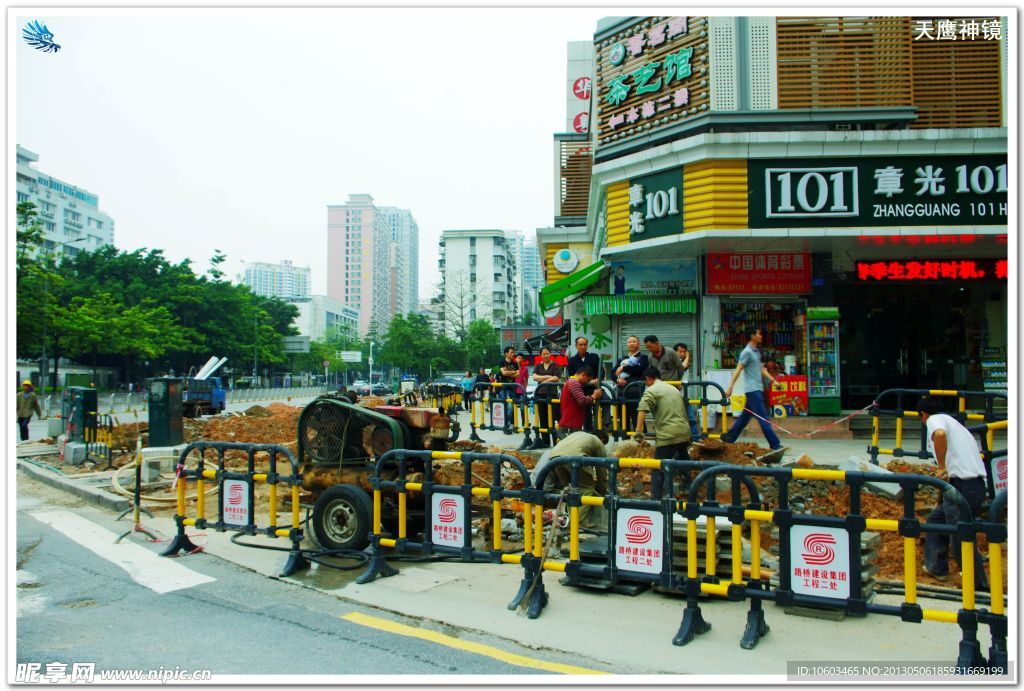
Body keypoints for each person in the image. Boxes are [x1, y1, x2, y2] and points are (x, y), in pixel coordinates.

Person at [918, 396, 989, 590]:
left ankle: (978, 584)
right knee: (936, 521)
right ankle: (936, 567)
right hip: (971, 486)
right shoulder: (957, 425)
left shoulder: (935, 420)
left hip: (963, 487)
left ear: (923, 415)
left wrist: (940, 467)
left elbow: (939, 435)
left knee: (960, 535)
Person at [531, 430, 609, 530]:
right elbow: (601, 471)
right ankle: (578, 522)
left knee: (570, 489)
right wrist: (602, 491)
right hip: (574, 457)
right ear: (602, 440)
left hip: (555, 457)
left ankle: (570, 518)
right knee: (587, 488)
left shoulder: (579, 435)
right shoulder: (598, 443)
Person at [721, 328, 783, 451]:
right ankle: (775, 444)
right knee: (763, 419)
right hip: (753, 391)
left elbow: (761, 369)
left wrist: (773, 381)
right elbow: (738, 369)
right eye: (759, 333)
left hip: (756, 390)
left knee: (744, 418)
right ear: (752, 335)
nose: (761, 336)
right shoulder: (747, 352)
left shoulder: (755, 352)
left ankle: (729, 437)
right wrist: (730, 387)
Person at [634, 367, 691, 499]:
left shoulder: (652, 390)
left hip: (668, 434)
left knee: (657, 466)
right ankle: (687, 489)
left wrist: (639, 430)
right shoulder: (673, 389)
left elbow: (642, 408)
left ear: (648, 379)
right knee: (684, 461)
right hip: (683, 431)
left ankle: (656, 497)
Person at [567, 336, 602, 431]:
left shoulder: (594, 357)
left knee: (606, 400)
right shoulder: (572, 360)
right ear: (576, 346)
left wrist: (597, 380)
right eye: (580, 345)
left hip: (594, 388)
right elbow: (571, 377)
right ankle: (583, 431)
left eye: (585, 345)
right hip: (579, 390)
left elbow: (601, 373)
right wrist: (589, 381)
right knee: (585, 409)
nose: (583, 347)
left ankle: (605, 424)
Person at [531, 346, 562, 448]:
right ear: (541, 355)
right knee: (543, 418)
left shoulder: (555, 365)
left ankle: (556, 441)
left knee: (552, 418)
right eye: (544, 354)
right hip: (540, 394)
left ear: (550, 353)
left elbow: (557, 378)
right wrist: (549, 377)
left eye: (547, 353)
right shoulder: (538, 366)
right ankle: (545, 442)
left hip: (552, 394)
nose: (546, 355)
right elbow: (534, 377)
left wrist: (542, 381)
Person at [558, 366, 602, 435]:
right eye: (588, 380)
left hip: (570, 421)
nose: (587, 383)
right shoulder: (574, 383)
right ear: (583, 375)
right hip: (571, 423)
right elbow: (582, 401)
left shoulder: (570, 382)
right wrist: (594, 396)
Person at [674, 342, 702, 440]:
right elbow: (683, 367)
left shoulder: (683, 361)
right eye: (680, 351)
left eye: (684, 352)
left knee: (691, 418)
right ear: (675, 352)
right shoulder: (673, 362)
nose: (682, 354)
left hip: (683, 395)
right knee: (676, 419)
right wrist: (688, 356)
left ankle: (695, 439)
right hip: (674, 396)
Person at [496, 347, 519, 433]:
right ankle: (506, 426)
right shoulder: (502, 362)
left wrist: (508, 372)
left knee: (513, 407)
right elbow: (503, 373)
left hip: (512, 387)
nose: (513, 354)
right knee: (508, 406)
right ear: (506, 353)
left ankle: (512, 426)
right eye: (511, 352)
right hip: (503, 388)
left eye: (513, 352)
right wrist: (513, 372)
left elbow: (518, 375)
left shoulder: (515, 363)